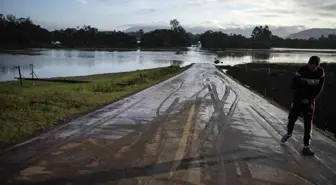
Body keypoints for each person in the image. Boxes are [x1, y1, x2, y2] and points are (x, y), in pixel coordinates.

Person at [281, 56, 325, 156]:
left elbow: (319, 88)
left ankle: (306, 146)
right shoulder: (301, 71)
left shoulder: (320, 73)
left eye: (315, 66)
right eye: (311, 65)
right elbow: (293, 85)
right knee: (292, 118)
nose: (313, 68)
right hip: (298, 99)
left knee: (308, 123)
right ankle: (289, 133)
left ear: (318, 65)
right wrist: (304, 87)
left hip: (310, 101)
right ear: (308, 64)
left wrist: (309, 99)